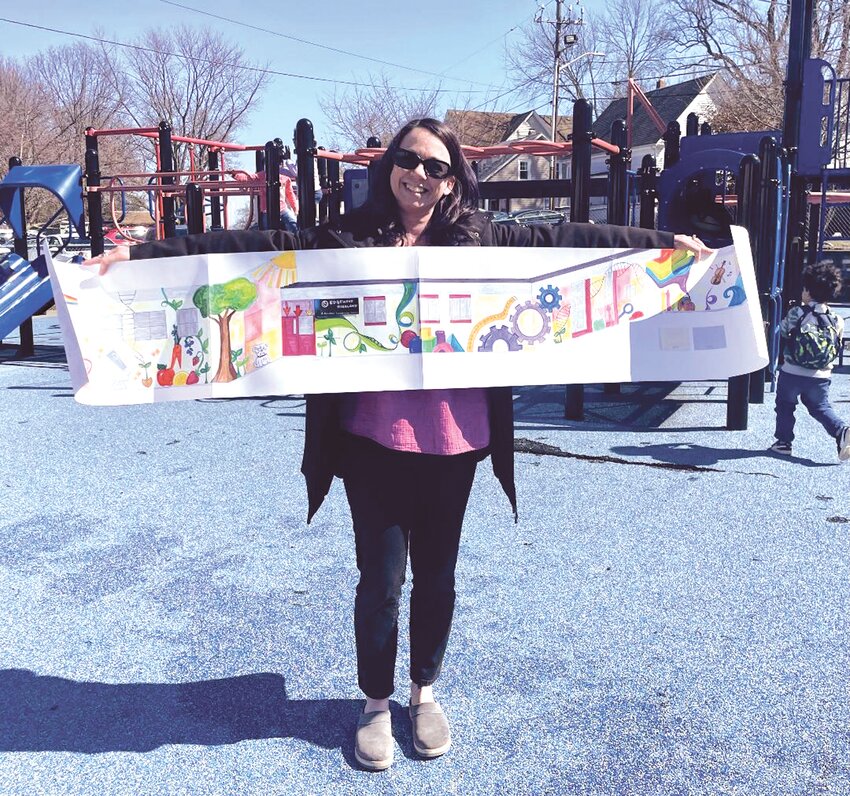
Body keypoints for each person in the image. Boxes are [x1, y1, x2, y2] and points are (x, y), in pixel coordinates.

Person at [86, 118, 710, 771]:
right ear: (391, 164)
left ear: (452, 179)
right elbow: (254, 243)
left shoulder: (481, 238)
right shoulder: (345, 238)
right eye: (409, 159)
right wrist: (139, 256)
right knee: (380, 581)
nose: (420, 173)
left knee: (438, 577)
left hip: (455, 439)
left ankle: (425, 693)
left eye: (436, 166)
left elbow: (572, 239)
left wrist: (666, 244)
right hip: (370, 442)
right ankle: (377, 704)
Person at [769, 261, 850, 460]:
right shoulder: (837, 319)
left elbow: (783, 330)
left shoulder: (797, 313)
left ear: (808, 291)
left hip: (792, 371)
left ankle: (783, 443)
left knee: (785, 405)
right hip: (821, 375)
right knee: (820, 407)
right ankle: (841, 431)